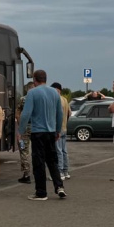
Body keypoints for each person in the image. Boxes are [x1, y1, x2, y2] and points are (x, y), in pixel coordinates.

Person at [18, 70, 66, 200]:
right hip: (51, 132)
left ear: (34, 80)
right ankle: (59, 186)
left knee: (39, 162)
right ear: (45, 79)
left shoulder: (32, 93)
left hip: (38, 132)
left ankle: (41, 192)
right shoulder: (55, 93)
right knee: (52, 160)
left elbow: (26, 114)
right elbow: (60, 114)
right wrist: (57, 130)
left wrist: (20, 131)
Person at [15, 82, 35, 184]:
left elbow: (17, 114)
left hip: (25, 128)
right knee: (37, 151)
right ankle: (38, 172)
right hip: (37, 127)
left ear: (27, 89)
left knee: (24, 151)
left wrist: (20, 126)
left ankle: (26, 174)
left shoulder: (23, 99)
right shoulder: (38, 99)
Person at [51, 82, 71, 180]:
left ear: (56, 90)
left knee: (58, 151)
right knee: (64, 151)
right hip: (64, 128)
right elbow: (69, 113)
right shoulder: (65, 100)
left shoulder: (56, 100)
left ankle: (60, 172)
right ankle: (66, 171)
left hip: (57, 129)